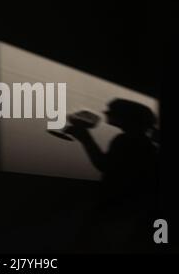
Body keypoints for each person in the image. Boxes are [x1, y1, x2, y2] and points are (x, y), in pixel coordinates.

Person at [66, 98, 159, 252]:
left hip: (115, 208)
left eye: (111, 110)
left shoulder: (126, 140)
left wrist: (85, 137)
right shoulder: (144, 143)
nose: (105, 112)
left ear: (127, 117)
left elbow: (104, 165)